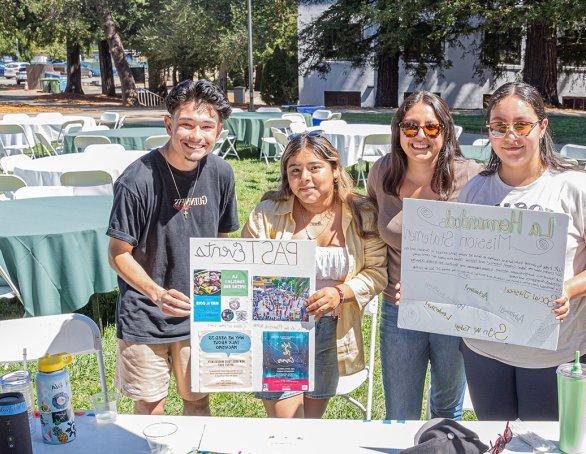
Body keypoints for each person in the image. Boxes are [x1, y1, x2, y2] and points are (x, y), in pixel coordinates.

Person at [457, 81, 586, 421]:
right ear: (489, 133)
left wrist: (568, 289)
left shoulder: (576, 188)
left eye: (522, 125)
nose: (510, 136)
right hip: (484, 350)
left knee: (547, 446)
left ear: (542, 127)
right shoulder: (475, 191)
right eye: (499, 127)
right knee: (496, 440)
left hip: (556, 354)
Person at [107, 80, 238, 416]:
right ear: (169, 124)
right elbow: (118, 253)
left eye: (207, 126)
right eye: (187, 125)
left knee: (197, 400)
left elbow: (223, 241)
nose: (197, 136)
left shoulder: (222, 173)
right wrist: (157, 293)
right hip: (146, 314)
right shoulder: (137, 180)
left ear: (219, 130)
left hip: (200, 312)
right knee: (151, 406)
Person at [242, 132, 386, 418]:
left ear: (334, 170)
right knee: (287, 426)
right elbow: (244, 268)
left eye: (314, 168)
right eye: (295, 170)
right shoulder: (268, 213)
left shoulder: (362, 213)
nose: (304, 177)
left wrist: (340, 293)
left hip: (332, 331)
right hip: (279, 331)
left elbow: (376, 271)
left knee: (310, 424)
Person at [366, 91, 481, 420]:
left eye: (431, 128)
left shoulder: (471, 177)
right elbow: (368, 231)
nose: (419, 136)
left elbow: (490, 244)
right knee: (400, 414)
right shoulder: (381, 173)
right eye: (410, 126)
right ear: (398, 130)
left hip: (453, 312)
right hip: (399, 308)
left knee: (447, 413)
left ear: (446, 132)